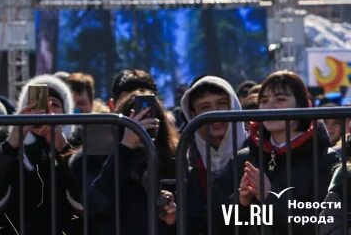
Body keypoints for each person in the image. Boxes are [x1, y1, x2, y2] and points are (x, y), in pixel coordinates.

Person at [211, 71, 338, 234]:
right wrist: (240, 202)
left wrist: (270, 197)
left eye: (280, 99)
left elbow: (323, 222)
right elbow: (218, 224)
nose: (270, 107)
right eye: (264, 101)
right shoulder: (244, 158)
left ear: (301, 106)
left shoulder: (326, 160)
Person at [0, 75, 81, 235]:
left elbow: (84, 195)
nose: (47, 111)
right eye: (38, 103)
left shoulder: (76, 142)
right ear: (25, 108)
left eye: (54, 104)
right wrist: (13, 142)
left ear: (66, 111)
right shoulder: (5, 138)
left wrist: (61, 146)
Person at [83, 88, 179, 235]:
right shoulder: (105, 158)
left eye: (150, 116)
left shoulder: (172, 161)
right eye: (133, 118)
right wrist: (126, 146)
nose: (142, 124)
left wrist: (171, 220)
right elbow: (96, 204)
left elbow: (194, 218)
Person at [178, 76, 246, 233]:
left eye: (222, 104)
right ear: (192, 114)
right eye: (205, 107)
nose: (215, 114)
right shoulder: (185, 160)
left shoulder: (257, 152)